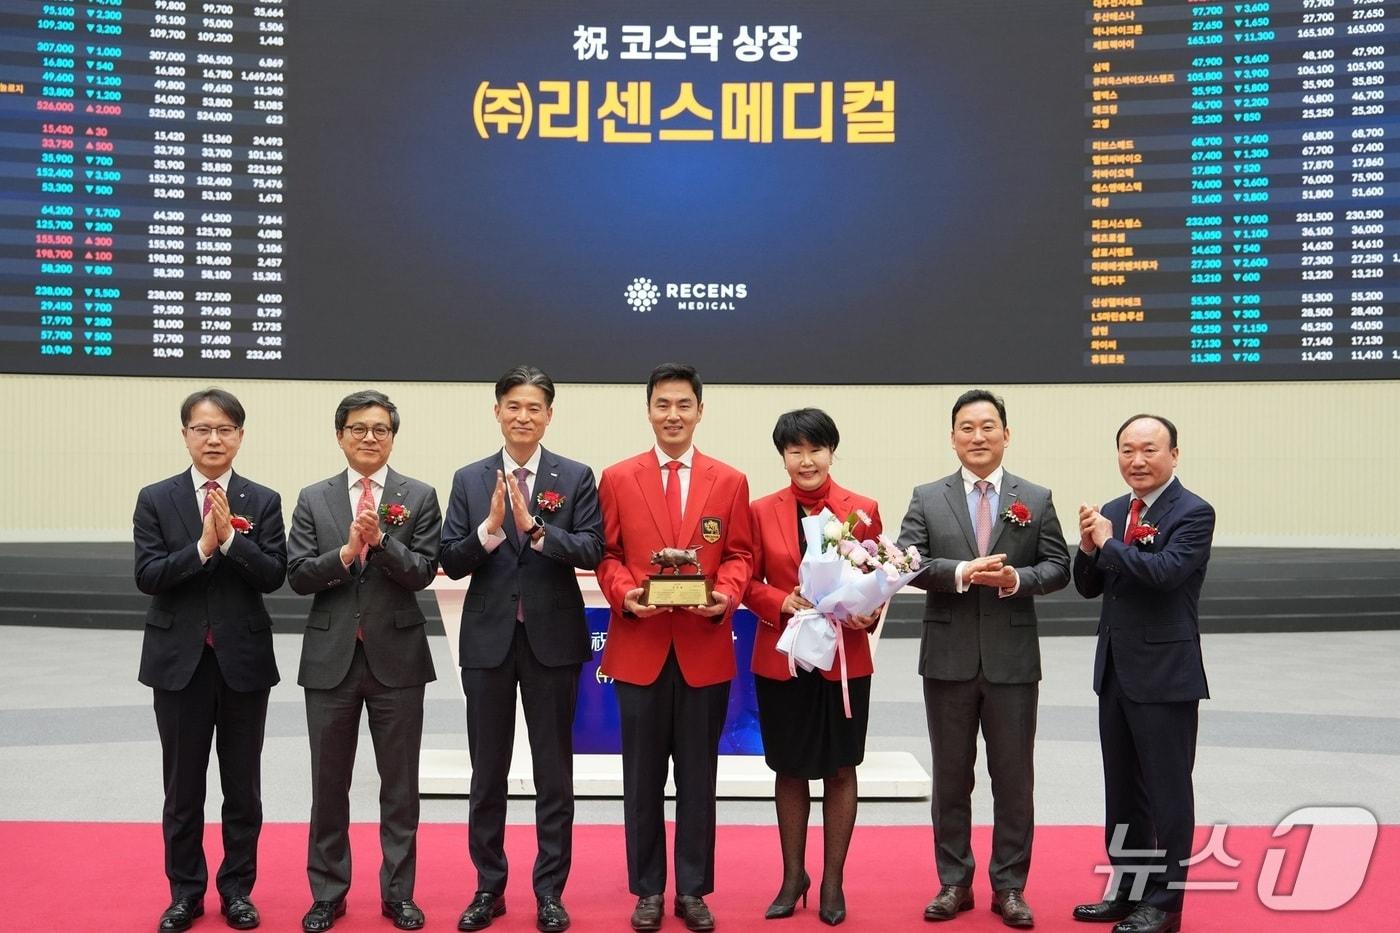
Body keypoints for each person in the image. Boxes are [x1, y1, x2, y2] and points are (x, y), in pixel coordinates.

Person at [896, 389, 1071, 928]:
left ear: (1006, 434)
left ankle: (1010, 886)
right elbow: (907, 562)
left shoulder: (1035, 498)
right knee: (952, 777)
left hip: (1012, 662)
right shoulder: (927, 497)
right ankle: (953, 883)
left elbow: (1058, 565)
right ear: (952, 438)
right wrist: (962, 572)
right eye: (967, 428)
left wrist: (1017, 578)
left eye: (988, 426)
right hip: (947, 659)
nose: (978, 436)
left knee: (1014, 778)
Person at [439, 365, 604, 933]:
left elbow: (591, 549)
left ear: (549, 415)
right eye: (513, 406)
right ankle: (488, 887)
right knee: (487, 773)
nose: (523, 417)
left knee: (554, 773)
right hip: (487, 641)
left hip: (552, 642)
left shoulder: (576, 476)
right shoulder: (468, 478)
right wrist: (489, 529)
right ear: (497, 411)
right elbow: (452, 560)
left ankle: (550, 891)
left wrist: (536, 530)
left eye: (534, 408)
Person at [595, 363, 755, 932]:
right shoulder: (617, 477)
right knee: (640, 780)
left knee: (697, 778)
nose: (673, 415)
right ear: (648, 410)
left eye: (683, 404)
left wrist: (728, 595)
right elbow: (606, 554)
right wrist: (624, 594)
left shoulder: (729, 480)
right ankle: (646, 890)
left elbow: (740, 555)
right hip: (640, 645)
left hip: (702, 646)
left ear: (700, 411)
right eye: (663, 404)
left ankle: (692, 890)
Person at [286, 390, 441, 933]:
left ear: (392, 436)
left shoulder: (418, 495)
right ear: (340, 435)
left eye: (379, 429)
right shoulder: (313, 498)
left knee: (399, 786)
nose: (368, 437)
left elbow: (424, 570)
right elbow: (299, 575)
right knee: (329, 783)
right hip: (330, 659)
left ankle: (398, 894)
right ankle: (328, 892)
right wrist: (348, 554)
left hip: (398, 659)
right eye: (358, 428)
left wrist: (383, 544)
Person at [134, 388, 286, 933]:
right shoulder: (156, 498)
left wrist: (229, 543)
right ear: (185, 436)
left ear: (240, 436)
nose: (214, 438)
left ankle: (238, 891)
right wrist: (201, 547)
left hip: (243, 663)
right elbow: (148, 575)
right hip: (178, 663)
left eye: (225, 429)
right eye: (202, 429)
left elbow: (273, 575)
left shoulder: (262, 499)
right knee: (183, 788)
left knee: (243, 788)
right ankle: (185, 893)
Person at [1071, 415, 1214, 933]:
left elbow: (1166, 573)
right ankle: (1129, 889)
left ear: (1174, 454)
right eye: (1127, 450)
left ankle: (1166, 904)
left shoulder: (1194, 512)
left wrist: (1109, 544)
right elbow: (1088, 586)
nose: (1137, 460)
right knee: (1124, 790)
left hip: (1167, 674)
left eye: (1150, 449)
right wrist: (1088, 549)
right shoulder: (1113, 511)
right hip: (1115, 671)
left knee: (1167, 791)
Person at [742, 409, 881, 927]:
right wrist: (781, 601)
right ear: (783, 456)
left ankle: (832, 881)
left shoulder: (862, 509)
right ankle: (792, 876)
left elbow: (878, 577)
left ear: (831, 452)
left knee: (842, 768)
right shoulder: (758, 512)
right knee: (789, 767)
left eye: (816, 449)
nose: (807, 460)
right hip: (784, 657)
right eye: (795, 450)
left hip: (844, 660)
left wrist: (869, 612)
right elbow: (745, 578)